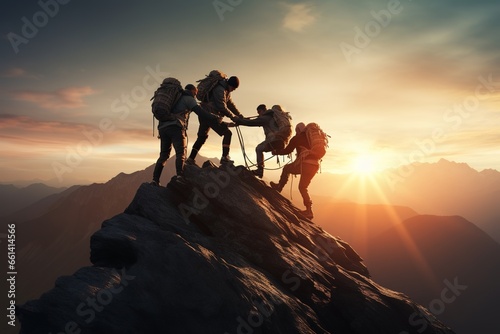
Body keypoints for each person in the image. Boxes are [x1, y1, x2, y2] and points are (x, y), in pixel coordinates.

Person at [151, 84, 215, 186]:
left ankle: (155, 180)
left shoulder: (175, 97)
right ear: (192, 91)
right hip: (176, 127)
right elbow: (201, 112)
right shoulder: (188, 99)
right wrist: (214, 117)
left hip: (163, 128)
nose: (195, 95)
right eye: (195, 93)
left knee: (163, 155)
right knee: (181, 153)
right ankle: (180, 176)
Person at [186, 76, 243, 165]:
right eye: (233, 88)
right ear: (230, 85)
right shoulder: (220, 89)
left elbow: (230, 104)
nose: (233, 90)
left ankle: (190, 159)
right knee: (227, 133)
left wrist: (239, 114)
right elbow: (222, 106)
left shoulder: (225, 90)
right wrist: (233, 117)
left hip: (205, 114)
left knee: (202, 137)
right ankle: (225, 157)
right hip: (211, 115)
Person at [270, 122, 319, 219]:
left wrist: (276, 152)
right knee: (303, 187)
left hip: (305, 164)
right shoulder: (311, 139)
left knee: (286, 168)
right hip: (315, 165)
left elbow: (287, 151)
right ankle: (309, 210)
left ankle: (279, 187)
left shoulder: (297, 138)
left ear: (298, 130)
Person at [233, 104, 287, 178]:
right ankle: (260, 170)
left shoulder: (266, 118)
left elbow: (252, 123)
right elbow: (256, 122)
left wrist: (239, 121)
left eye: (259, 112)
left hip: (274, 140)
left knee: (259, 148)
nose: (258, 114)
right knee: (261, 148)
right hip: (281, 141)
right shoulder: (273, 117)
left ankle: (260, 170)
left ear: (262, 110)